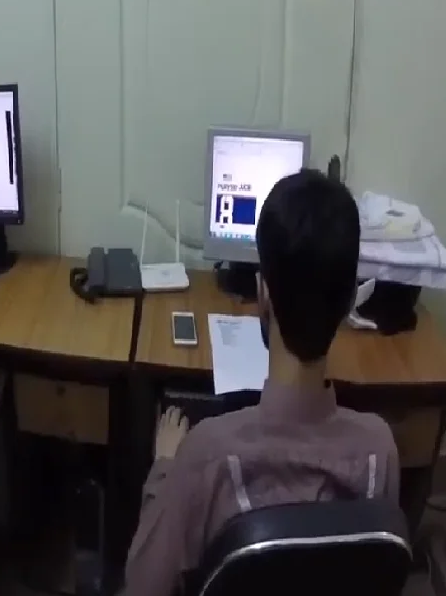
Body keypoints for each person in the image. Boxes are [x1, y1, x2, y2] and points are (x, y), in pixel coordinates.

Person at [124, 169, 399, 596]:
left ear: (263, 295)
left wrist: (163, 467)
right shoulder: (380, 451)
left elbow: (142, 587)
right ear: (350, 301)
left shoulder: (206, 454)